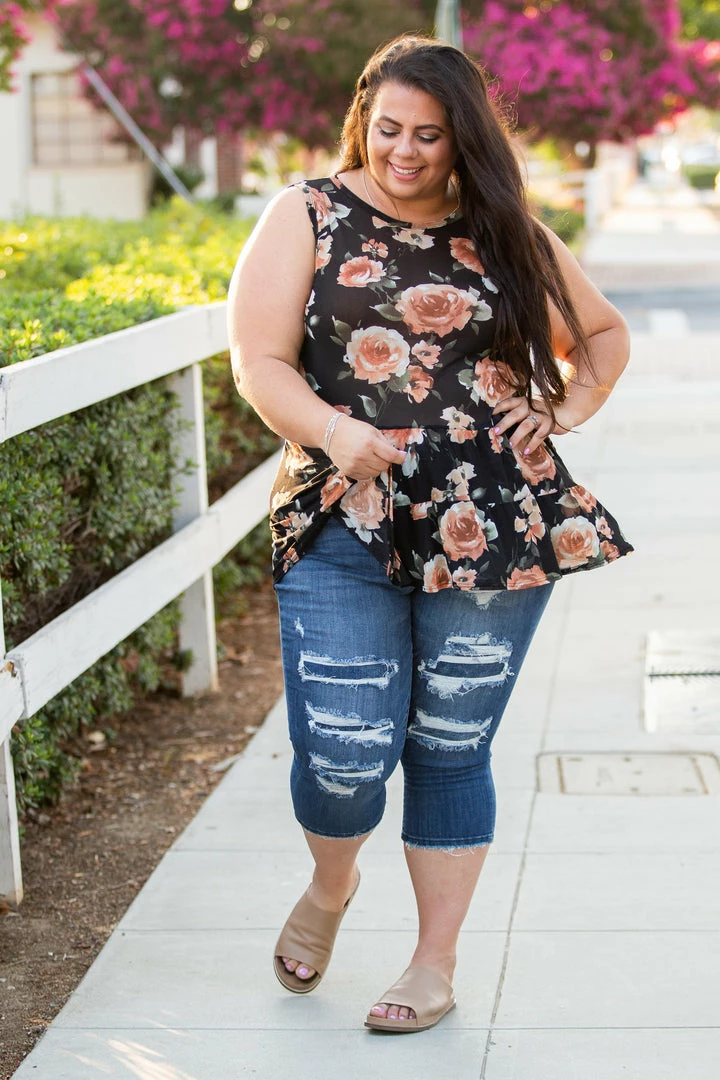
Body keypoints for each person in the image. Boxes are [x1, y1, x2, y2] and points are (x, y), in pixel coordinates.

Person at [228, 34, 632, 1034]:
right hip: (343, 516)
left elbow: (605, 334)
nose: (403, 150)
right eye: (388, 127)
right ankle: (331, 888)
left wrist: (568, 409)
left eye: (429, 135)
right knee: (347, 750)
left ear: (464, 141)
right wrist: (333, 431)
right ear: (363, 117)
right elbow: (259, 360)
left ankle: (433, 964)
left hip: (493, 517)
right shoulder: (307, 213)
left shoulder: (503, 230)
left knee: (451, 745)